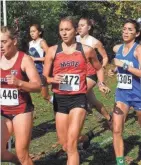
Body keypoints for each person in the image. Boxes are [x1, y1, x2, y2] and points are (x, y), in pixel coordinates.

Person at [43, 16, 110, 165]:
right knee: (65, 144)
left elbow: (98, 68)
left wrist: (101, 82)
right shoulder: (53, 51)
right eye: (61, 30)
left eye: (68, 29)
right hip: (60, 99)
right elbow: (45, 77)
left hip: (78, 99)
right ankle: (86, 138)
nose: (64, 33)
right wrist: (53, 79)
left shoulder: (86, 50)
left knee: (72, 146)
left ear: (76, 30)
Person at [1, 26, 41, 165]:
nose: (0, 45)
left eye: (4, 41)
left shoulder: (24, 60)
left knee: (22, 153)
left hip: (21, 110)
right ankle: (16, 161)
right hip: (3, 112)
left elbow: (37, 86)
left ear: (14, 41)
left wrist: (20, 83)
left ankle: (21, 160)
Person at [76, 18, 112, 144]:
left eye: (82, 25)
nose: (79, 28)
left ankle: (78, 134)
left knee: (78, 96)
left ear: (89, 27)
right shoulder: (74, 40)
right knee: (93, 101)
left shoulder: (95, 42)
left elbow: (105, 57)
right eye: (78, 26)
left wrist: (101, 68)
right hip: (78, 75)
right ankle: (110, 119)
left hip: (91, 74)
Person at [112, 19, 141, 165]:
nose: (126, 32)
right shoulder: (118, 49)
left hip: (138, 94)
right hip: (122, 93)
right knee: (116, 129)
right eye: (124, 29)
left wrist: (123, 65)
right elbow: (119, 67)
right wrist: (114, 70)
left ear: (137, 33)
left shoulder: (138, 50)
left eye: (130, 29)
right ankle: (120, 162)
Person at [29, 24, 53, 103]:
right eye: (30, 32)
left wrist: (35, 59)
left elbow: (50, 56)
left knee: (45, 96)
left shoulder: (42, 42)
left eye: (34, 31)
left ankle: (59, 102)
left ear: (39, 32)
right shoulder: (30, 43)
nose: (32, 33)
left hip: (41, 71)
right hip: (32, 71)